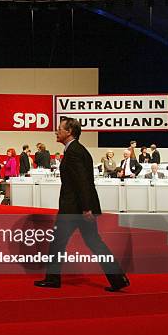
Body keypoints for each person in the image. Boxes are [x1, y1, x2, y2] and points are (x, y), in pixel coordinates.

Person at [35, 117, 129, 292]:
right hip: (79, 207)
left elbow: (82, 181)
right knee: (94, 242)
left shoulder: (74, 151)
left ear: (69, 131)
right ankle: (118, 279)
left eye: (59, 129)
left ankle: (53, 279)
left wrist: (86, 208)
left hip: (74, 208)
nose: (56, 131)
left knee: (58, 242)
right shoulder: (77, 150)